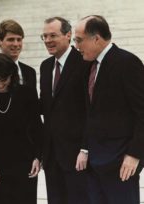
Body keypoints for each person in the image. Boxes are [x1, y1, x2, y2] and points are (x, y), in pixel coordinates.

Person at [74, 15, 144, 204]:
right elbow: (92, 113)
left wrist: (134, 154)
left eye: (79, 40)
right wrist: (85, 148)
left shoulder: (127, 63)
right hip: (95, 163)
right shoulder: (89, 66)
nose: (76, 45)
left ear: (96, 38)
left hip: (121, 163)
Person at [0, 53, 42, 204]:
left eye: (4, 79)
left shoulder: (27, 93)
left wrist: (38, 156)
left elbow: (37, 127)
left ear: (12, 76)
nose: (0, 84)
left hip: (24, 162)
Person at [39, 17, 90, 204]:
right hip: (52, 156)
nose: (47, 40)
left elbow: (89, 110)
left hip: (77, 155)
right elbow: (46, 106)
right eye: (44, 36)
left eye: (53, 35)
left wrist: (85, 148)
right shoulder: (45, 67)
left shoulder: (84, 62)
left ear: (68, 35)